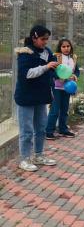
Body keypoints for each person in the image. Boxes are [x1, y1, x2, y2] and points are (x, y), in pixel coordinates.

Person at [14, 25, 58, 172]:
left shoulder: (47, 52)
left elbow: (54, 69)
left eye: (47, 39)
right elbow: (27, 74)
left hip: (41, 96)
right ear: (34, 37)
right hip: (26, 97)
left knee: (40, 128)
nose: (45, 42)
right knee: (26, 130)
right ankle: (24, 159)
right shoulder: (25, 53)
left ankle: (38, 155)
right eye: (42, 39)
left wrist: (65, 75)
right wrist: (46, 67)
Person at [46, 38, 80, 139]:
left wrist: (74, 76)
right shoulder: (55, 57)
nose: (66, 48)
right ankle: (49, 131)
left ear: (71, 47)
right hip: (57, 87)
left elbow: (77, 71)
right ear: (60, 47)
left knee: (65, 109)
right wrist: (59, 77)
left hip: (68, 88)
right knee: (55, 110)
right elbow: (50, 71)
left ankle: (63, 130)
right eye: (63, 46)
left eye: (68, 46)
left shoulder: (73, 58)